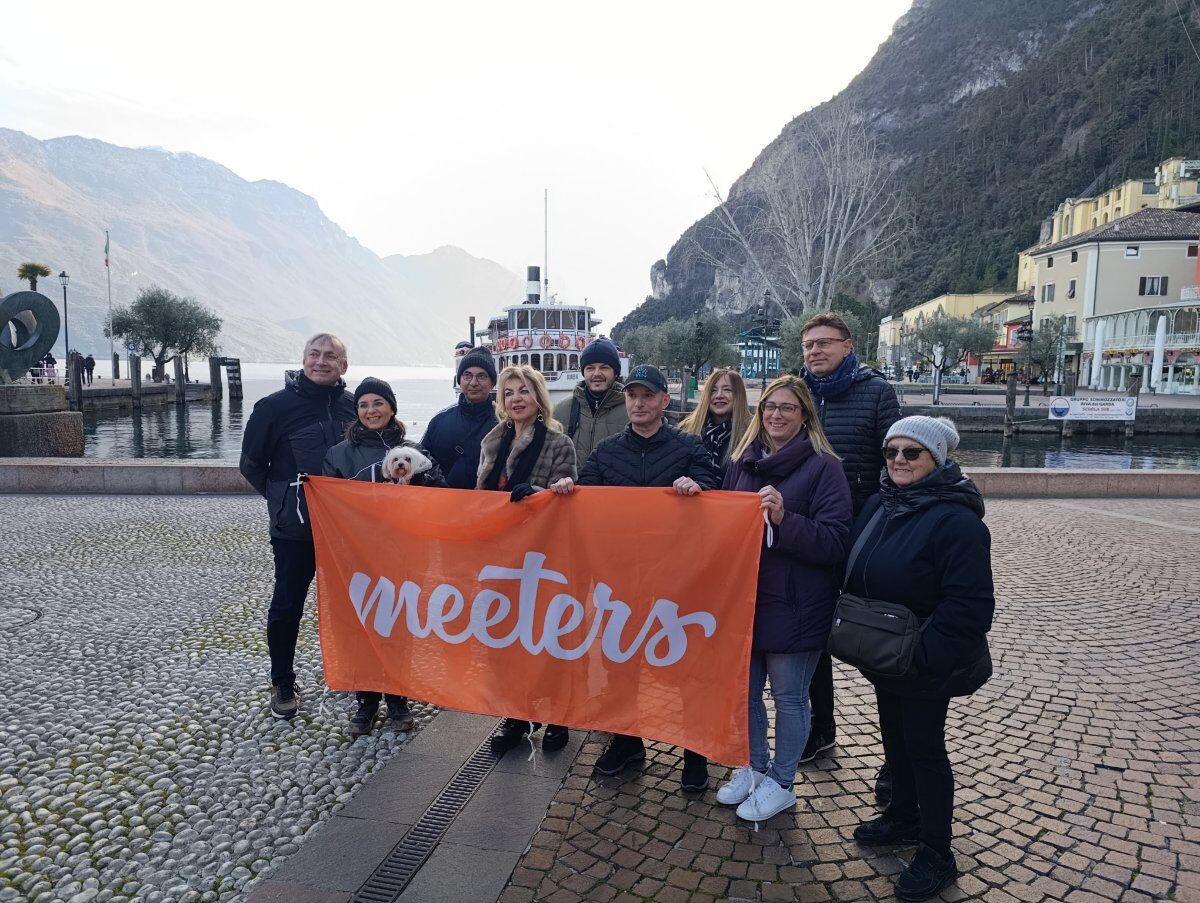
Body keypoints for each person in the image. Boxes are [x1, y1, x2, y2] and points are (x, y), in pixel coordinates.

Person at [550, 364, 722, 792]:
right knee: (619, 663)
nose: (639, 404)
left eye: (648, 396)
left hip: (677, 579)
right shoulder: (607, 451)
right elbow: (585, 500)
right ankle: (626, 742)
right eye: (633, 397)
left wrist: (697, 485)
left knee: (686, 666)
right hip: (621, 578)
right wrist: (568, 490)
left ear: (665, 402)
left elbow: (716, 490)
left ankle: (694, 751)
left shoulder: (689, 446)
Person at [846, 416, 993, 902]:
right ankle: (903, 815)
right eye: (892, 452)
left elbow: (969, 606)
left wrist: (923, 657)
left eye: (912, 453)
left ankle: (936, 852)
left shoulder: (956, 519)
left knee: (926, 750)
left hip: (924, 660)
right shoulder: (880, 504)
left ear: (937, 459)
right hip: (886, 654)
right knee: (895, 739)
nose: (899, 462)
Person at [715, 375, 851, 823]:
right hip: (747, 601)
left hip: (797, 604)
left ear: (805, 415)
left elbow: (834, 542)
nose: (776, 414)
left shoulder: (823, 467)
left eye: (787, 408)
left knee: (790, 697)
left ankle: (784, 781)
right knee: (746, 695)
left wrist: (784, 518)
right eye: (769, 407)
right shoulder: (743, 461)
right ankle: (754, 769)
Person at [798, 312, 901, 779]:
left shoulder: (876, 391)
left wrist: (882, 525)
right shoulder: (796, 394)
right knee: (814, 637)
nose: (815, 351)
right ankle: (821, 730)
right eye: (808, 345)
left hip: (863, 533)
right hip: (811, 533)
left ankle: (895, 760)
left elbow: (895, 462)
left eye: (823, 343)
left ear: (847, 345)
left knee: (880, 638)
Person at [239, 334, 356, 719]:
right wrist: (284, 504)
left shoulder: (355, 407)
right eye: (315, 354)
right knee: (288, 603)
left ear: (344, 365)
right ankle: (283, 681)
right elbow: (252, 465)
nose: (321, 362)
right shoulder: (273, 408)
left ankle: (356, 674)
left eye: (331, 356)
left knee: (353, 603)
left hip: (347, 531)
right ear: (303, 359)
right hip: (295, 530)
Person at [322, 376, 446, 736]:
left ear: (392, 408)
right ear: (355, 411)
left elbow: (440, 493)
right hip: (357, 555)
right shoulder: (338, 454)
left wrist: (418, 484)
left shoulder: (414, 450)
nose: (371, 410)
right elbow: (330, 505)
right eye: (363, 404)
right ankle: (365, 702)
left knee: (398, 627)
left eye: (378, 403)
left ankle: (397, 698)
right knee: (360, 626)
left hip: (403, 555)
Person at [478, 365, 579, 756]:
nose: (516, 398)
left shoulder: (558, 443)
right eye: (508, 392)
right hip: (500, 553)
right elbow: (480, 496)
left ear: (538, 397)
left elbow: (566, 499)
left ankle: (558, 715)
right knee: (506, 638)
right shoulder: (491, 442)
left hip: (541, 555)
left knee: (545, 637)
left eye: (524, 391)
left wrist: (539, 491)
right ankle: (516, 715)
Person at [422, 346, 498, 489]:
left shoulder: (504, 423)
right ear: (459, 380)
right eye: (467, 375)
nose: (474, 382)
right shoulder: (439, 422)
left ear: (492, 382)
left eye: (481, 376)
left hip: (490, 508)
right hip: (446, 506)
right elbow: (420, 462)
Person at [551, 337, 628, 466]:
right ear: (583, 372)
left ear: (615, 373)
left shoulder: (632, 410)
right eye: (590, 368)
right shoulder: (561, 411)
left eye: (604, 368)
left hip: (614, 486)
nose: (596, 373)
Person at [678, 367, 751, 468]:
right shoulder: (686, 430)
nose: (719, 395)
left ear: (739, 395)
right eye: (713, 390)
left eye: (727, 390)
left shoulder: (751, 435)